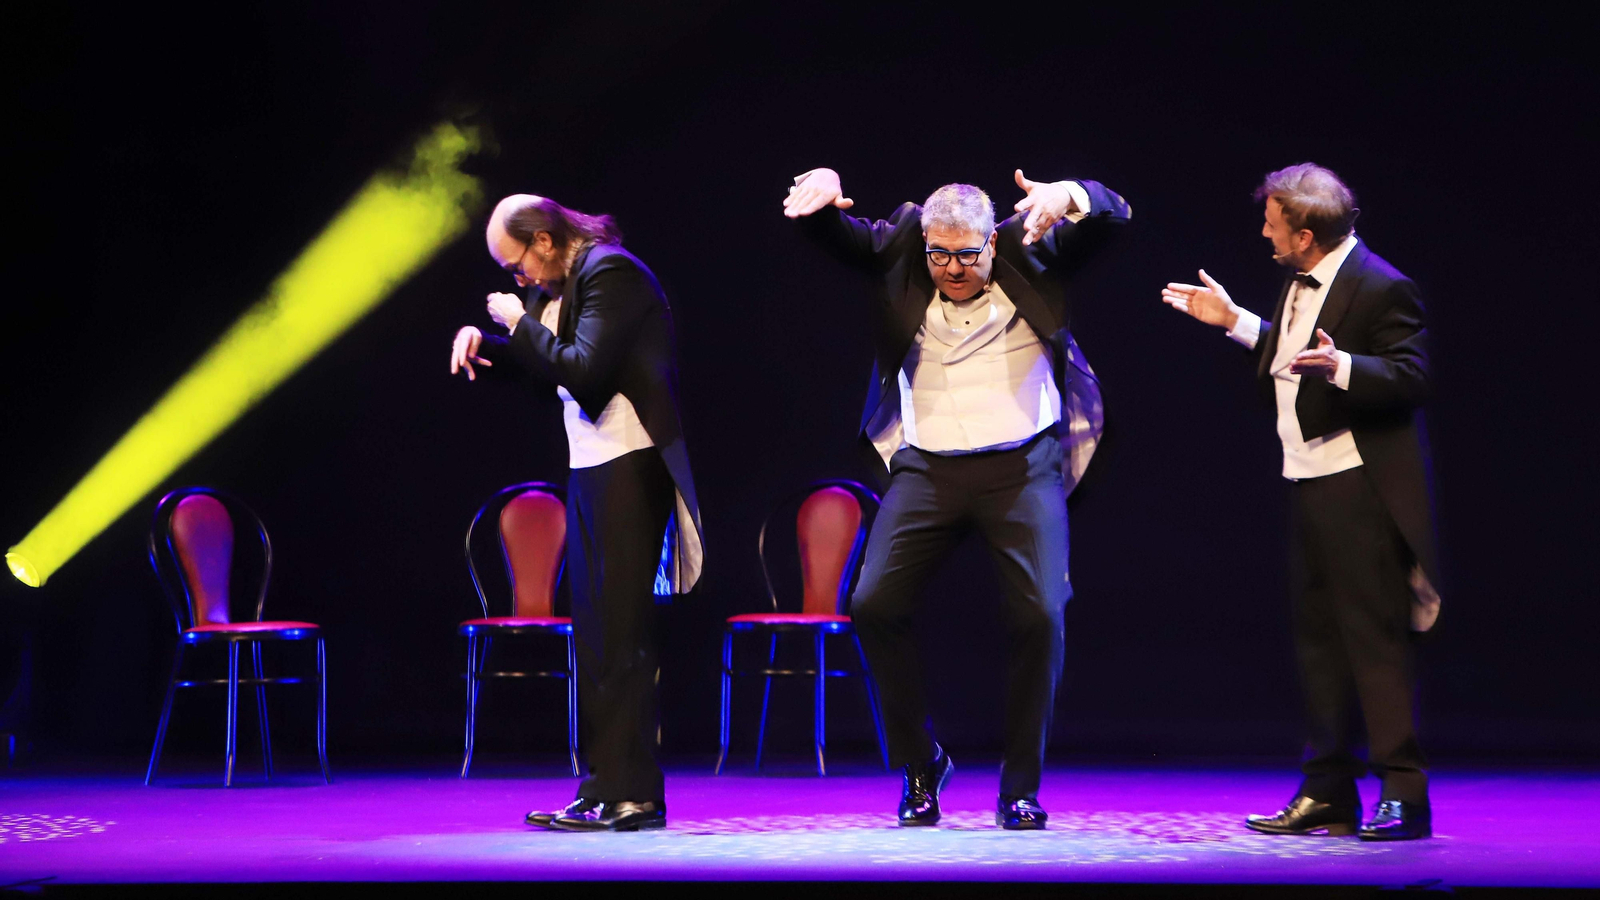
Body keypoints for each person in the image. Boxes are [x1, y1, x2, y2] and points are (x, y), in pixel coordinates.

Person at [783, 166, 1129, 829]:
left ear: (991, 245)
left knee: (1041, 615)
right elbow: (834, 235)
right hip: (927, 467)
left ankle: (1020, 787)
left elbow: (1115, 219)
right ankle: (921, 766)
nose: (951, 268)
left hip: (1022, 467)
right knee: (873, 602)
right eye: (939, 254)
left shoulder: (1031, 247)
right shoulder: (902, 249)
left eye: (967, 255)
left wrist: (1072, 196)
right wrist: (823, 194)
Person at [1161, 163, 1440, 841]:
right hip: (1306, 478)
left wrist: (1343, 365)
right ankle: (1328, 792)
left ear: (1305, 233)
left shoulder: (1382, 284)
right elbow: (1292, 357)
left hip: (1359, 485)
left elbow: (1410, 377)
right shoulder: (1297, 280)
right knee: (1318, 643)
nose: (1264, 233)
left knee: (1372, 643)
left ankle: (1403, 793)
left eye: (1272, 223)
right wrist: (1236, 323)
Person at [450, 194, 704, 832]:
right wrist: (488, 342)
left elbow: (586, 373)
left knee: (622, 633)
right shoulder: (559, 286)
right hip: (590, 467)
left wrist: (519, 320)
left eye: (519, 267)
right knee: (594, 636)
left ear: (543, 239)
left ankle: (636, 795)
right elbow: (543, 372)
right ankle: (601, 789)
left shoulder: (610, 272)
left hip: (630, 462)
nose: (521, 281)